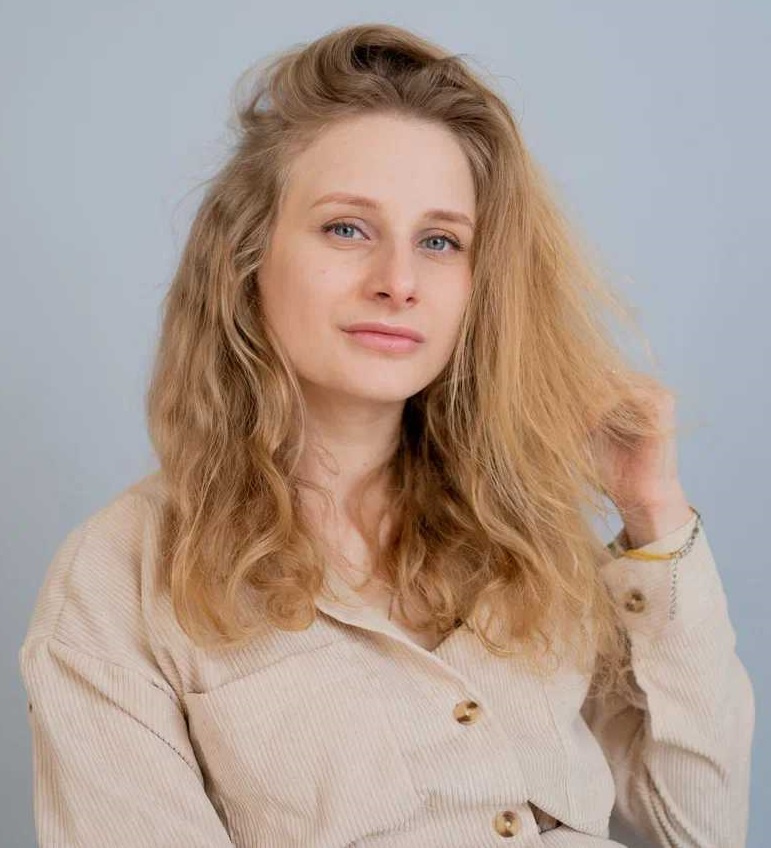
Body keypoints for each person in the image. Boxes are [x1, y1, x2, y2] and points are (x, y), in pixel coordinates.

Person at [18, 22, 754, 848]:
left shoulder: (531, 535)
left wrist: (653, 514)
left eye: (439, 241)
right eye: (347, 228)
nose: (398, 282)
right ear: (246, 257)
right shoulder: (117, 582)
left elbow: (696, 831)